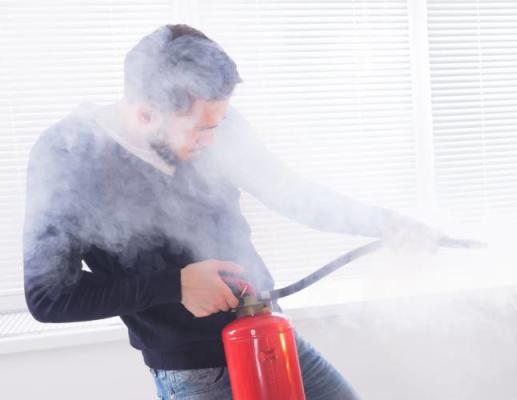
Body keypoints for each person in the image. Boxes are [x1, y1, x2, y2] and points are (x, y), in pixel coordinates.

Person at [22, 24, 441, 399]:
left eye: (219, 122)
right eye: (202, 129)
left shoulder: (218, 124)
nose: (215, 138)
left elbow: (291, 193)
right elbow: (49, 298)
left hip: (269, 335)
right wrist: (176, 284)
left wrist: (384, 223)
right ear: (147, 114)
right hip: (197, 372)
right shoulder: (68, 155)